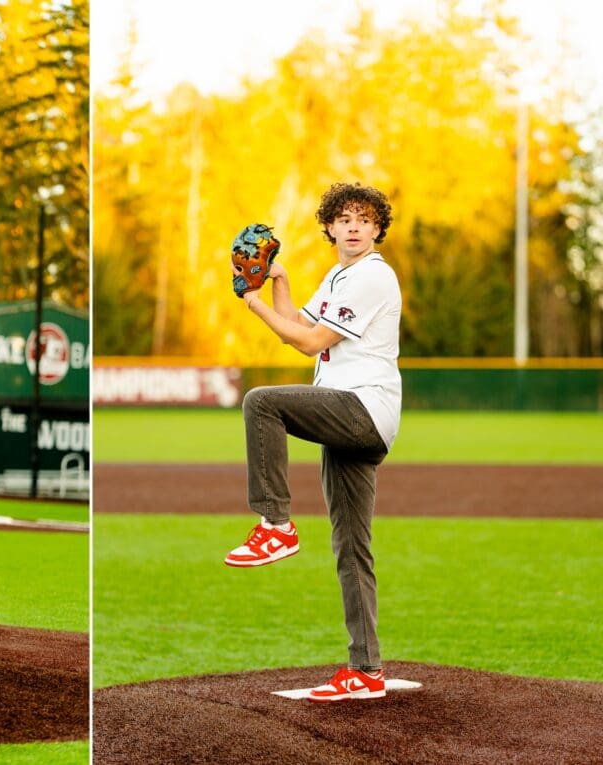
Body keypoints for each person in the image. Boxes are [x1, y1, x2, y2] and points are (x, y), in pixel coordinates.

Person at [224, 182, 401, 701]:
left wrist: (252, 300)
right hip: (352, 416)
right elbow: (296, 325)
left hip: (361, 407)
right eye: (343, 217)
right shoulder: (340, 274)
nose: (353, 226)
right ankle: (366, 670)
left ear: (376, 229)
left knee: (261, 401)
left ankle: (276, 524)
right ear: (329, 227)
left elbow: (309, 342)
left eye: (364, 219)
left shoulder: (372, 275)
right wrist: (278, 280)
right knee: (352, 549)